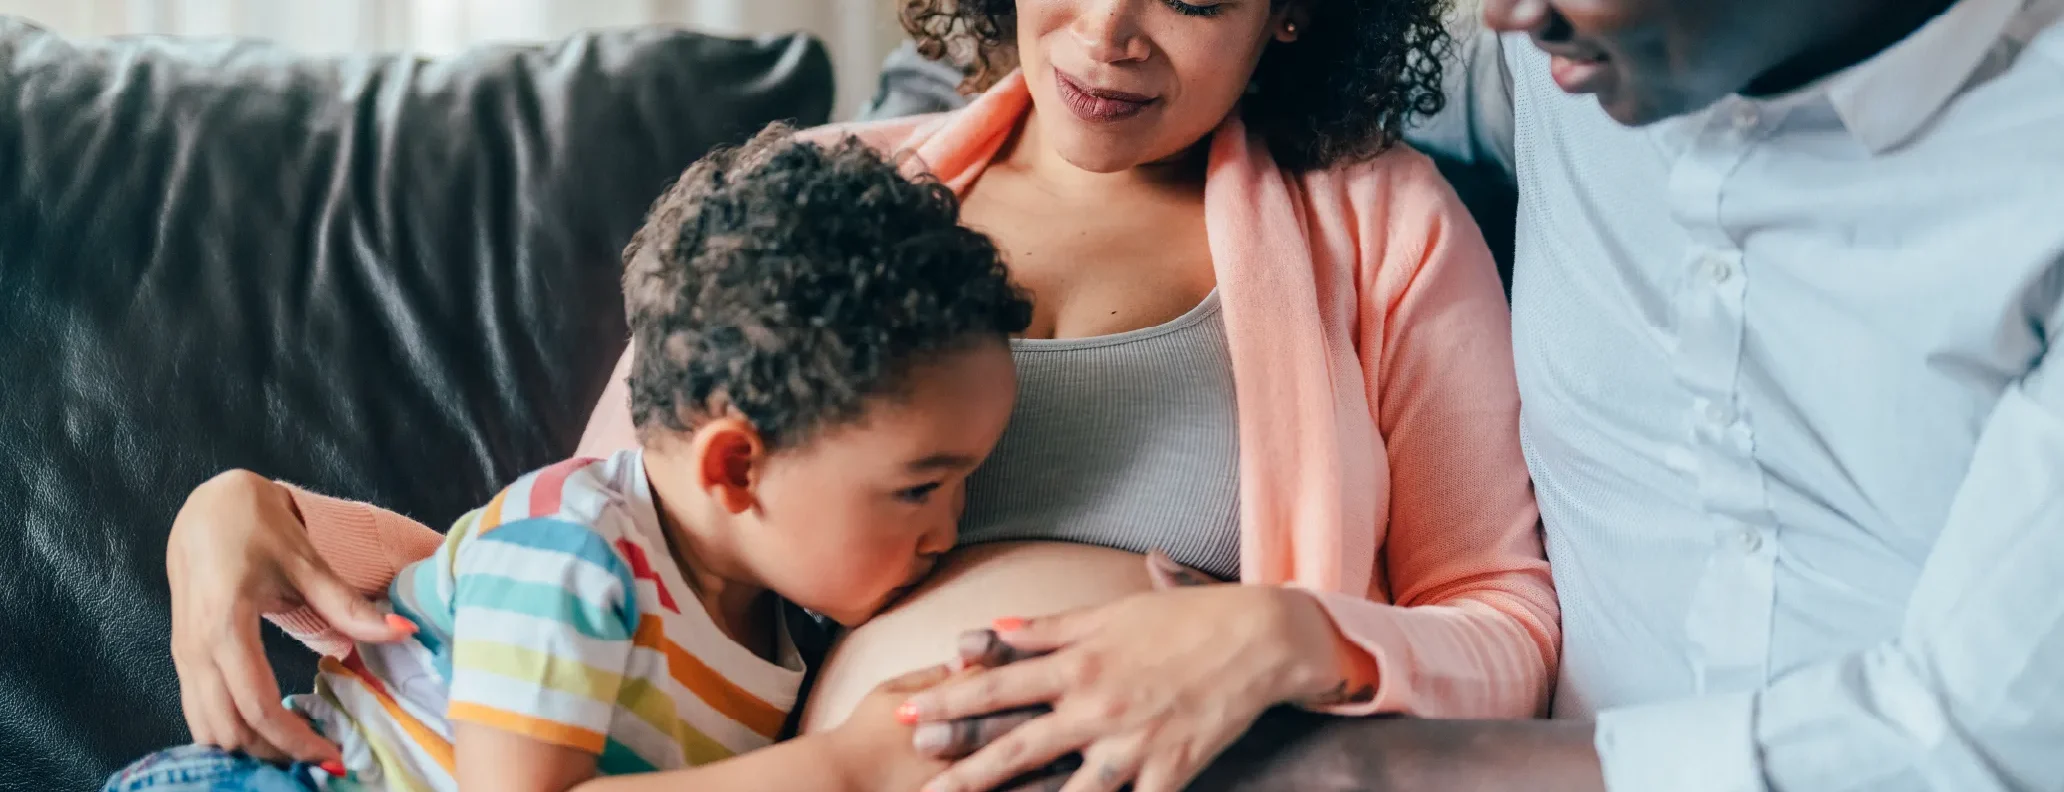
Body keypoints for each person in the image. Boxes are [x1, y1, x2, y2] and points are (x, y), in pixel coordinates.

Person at [162, 0, 1562, 790]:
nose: (1115, 31)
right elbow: (614, 547)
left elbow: (1507, 625)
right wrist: (240, 508)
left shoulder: (1379, 226)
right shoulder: (827, 201)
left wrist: (1270, 637)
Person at [1049, 0, 2064, 789]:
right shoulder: (1562, 59)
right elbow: (1258, 51)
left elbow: (1974, 746)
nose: (1501, 14)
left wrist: (1305, 762)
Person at [120, 128, 1032, 791]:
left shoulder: (772, 627)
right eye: (921, 488)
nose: (948, 530)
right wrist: (846, 765)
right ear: (737, 469)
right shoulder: (571, 545)